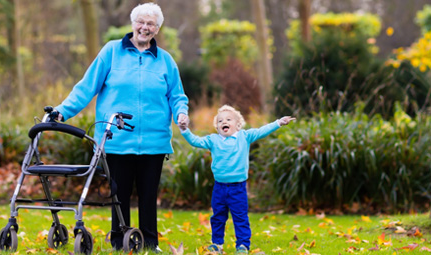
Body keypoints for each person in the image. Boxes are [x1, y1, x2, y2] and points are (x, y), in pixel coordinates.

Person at [53, 2, 189, 253]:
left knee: (148, 197)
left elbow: (177, 96)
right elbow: (86, 87)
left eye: (151, 24)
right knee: (119, 196)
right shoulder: (111, 52)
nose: (144, 28)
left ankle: (149, 243)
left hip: (154, 141)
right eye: (141, 22)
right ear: (132, 23)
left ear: (157, 29)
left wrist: (181, 112)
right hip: (115, 137)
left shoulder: (165, 61)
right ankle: (119, 242)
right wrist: (62, 111)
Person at [178, 105, 295, 254]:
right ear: (217, 126)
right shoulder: (213, 140)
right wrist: (184, 130)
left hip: (237, 188)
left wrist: (278, 122)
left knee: (240, 218)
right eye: (220, 121)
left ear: (238, 125)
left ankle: (243, 245)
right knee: (218, 217)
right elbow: (195, 141)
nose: (223, 122)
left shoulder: (244, 137)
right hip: (219, 188)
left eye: (228, 119)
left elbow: (261, 131)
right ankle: (217, 245)